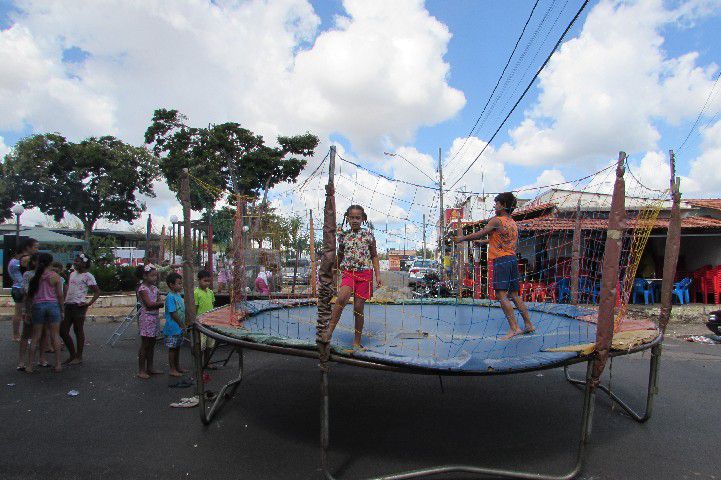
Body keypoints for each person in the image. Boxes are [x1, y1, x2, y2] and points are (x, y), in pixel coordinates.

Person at [453, 192, 534, 340]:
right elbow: (502, 240)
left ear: (503, 205)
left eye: (496, 203)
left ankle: (514, 328)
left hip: (501, 261)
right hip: (512, 260)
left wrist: (462, 238)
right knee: (515, 295)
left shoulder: (496, 221)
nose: (495, 206)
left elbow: (480, 233)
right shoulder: (512, 223)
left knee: (501, 295)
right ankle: (528, 324)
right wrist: (483, 242)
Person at [323, 205, 382, 349]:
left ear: (363, 219)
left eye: (358, 217)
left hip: (365, 274)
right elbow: (340, 255)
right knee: (341, 298)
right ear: (347, 219)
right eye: (352, 218)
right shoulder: (344, 236)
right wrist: (334, 271)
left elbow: (374, 256)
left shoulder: (368, 235)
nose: (355, 220)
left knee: (358, 307)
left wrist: (377, 275)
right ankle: (329, 331)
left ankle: (356, 341)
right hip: (349, 272)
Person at [24, 252, 64, 373]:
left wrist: (27, 311)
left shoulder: (34, 277)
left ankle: (30, 365)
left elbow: (29, 296)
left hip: (38, 306)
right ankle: (58, 364)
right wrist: (62, 309)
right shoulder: (55, 276)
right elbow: (60, 295)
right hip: (53, 306)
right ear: (50, 263)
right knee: (55, 335)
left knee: (35, 336)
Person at [60, 253, 100, 365]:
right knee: (62, 330)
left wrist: (88, 303)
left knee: (78, 330)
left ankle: (79, 356)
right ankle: (72, 354)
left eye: (78, 261)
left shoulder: (88, 276)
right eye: (75, 261)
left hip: (78, 306)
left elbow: (97, 291)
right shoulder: (72, 274)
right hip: (68, 305)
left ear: (84, 263)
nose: (75, 263)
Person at [136, 264, 164, 379]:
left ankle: (150, 367)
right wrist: (159, 304)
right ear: (145, 276)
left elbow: (156, 302)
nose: (155, 278)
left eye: (156, 276)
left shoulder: (155, 288)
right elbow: (149, 304)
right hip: (146, 318)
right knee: (145, 344)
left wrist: (157, 303)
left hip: (154, 318)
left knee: (152, 344)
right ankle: (141, 369)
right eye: (152, 276)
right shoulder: (142, 289)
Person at [8, 238, 37, 341]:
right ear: (28, 247)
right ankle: (26, 335)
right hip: (23, 288)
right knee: (27, 313)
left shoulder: (14, 260)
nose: (36, 249)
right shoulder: (26, 259)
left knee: (18, 313)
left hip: (15, 287)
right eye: (35, 247)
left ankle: (16, 335)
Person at [163, 272, 187, 378]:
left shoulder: (177, 295)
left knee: (177, 347)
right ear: (171, 285)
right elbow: (173, 313)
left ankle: (177, 367)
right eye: (179, 284)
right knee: (172, 349)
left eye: (181, 283)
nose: (181, 286)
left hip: (179, 327)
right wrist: (181, 324)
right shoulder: (170, 297)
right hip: (173, 327)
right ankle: (172, 369)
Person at [194, 270, 216, 367]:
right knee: (201, 345)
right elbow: (195, 308)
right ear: (199, 280)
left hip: (210, 322)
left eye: (208, 281)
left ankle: (207, 362)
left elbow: (212, 305)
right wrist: (194, 320)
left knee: (209, 344)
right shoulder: (196, 292)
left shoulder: (210, 292)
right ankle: (199, 364)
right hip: (201, 322)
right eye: (205, 281)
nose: (207, 283)